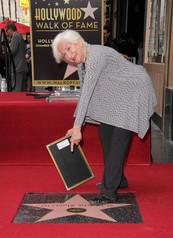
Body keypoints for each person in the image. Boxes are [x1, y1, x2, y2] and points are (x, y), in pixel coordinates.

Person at [51, 30, 157, 204]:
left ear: (78, 41)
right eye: (64, 55)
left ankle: (108, 192)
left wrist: (78, 126)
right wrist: (77, 122)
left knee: (118, 139)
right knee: (105, 133)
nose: (69, 56)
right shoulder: (82, 64)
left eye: (69, 48)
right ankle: (118, 179)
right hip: (122, 93)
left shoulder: (96, 55)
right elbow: (85, 92)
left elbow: (87, 92)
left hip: (136, 90)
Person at [5, 22, 28, 92]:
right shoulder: (19, 36)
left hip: (18, 66)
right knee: (22, 89)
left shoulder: (15, 36)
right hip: (21, 65)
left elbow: (12, 51)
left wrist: (6, 49)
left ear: (10, 29)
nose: (6, 32)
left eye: (6, 30)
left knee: (17, 89)